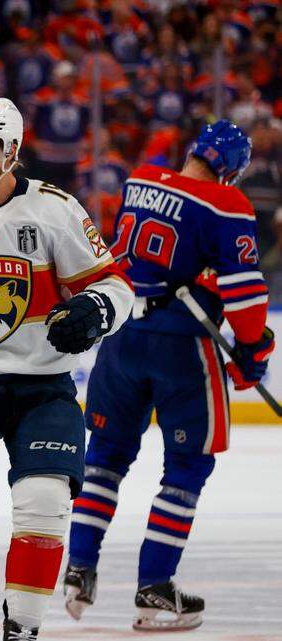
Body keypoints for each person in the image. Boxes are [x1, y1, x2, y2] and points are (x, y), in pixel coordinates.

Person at [0, 97, 134, 641]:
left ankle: (23, 629)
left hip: (43, 387)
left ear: (12, 151)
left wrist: (96, 309)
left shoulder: (55, 210)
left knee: (44, 503)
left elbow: (115, 286)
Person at [64, 120, 272, 631]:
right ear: (231, 170)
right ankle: (154, 588)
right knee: (187, 467)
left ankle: (78, 571)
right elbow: (245, 297)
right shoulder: (227, 205)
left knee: (106, 458)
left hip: (123, 337)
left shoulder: (142, 179)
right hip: (181, 348)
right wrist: (254, 349)